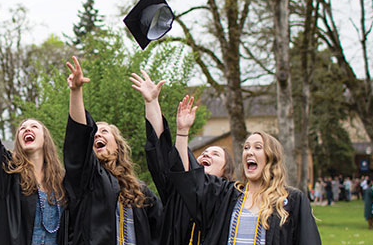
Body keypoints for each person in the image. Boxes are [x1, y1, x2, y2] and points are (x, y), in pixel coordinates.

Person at [170, 98, 321, 244]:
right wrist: (182, 132)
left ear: (271, 157)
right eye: (246, 147)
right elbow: (189, 180)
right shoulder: (227, 195)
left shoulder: (291, 201)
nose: (249, 152)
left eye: (257, 147)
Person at [0, 53, 68, 245]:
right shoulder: (9, 175)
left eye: (34, 127)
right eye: (22, 128)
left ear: (46, 139)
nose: (27, 129)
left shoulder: (62, 182)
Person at [64, 58, 163, 245]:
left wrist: (151, 103)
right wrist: (76, 91)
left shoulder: (141, 192)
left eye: (104, 131)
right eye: (94, 132)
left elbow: (161, 231)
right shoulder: (86, 181)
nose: (96, 135)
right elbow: (79, 139)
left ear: (117, 145)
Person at [134, 71, 234, 245]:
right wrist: (151, 102)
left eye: (215, 154)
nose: (206, 154)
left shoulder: (226, 200)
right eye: (204, 152)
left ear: (225, 171)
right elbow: (160, 150)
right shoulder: (176, 191)